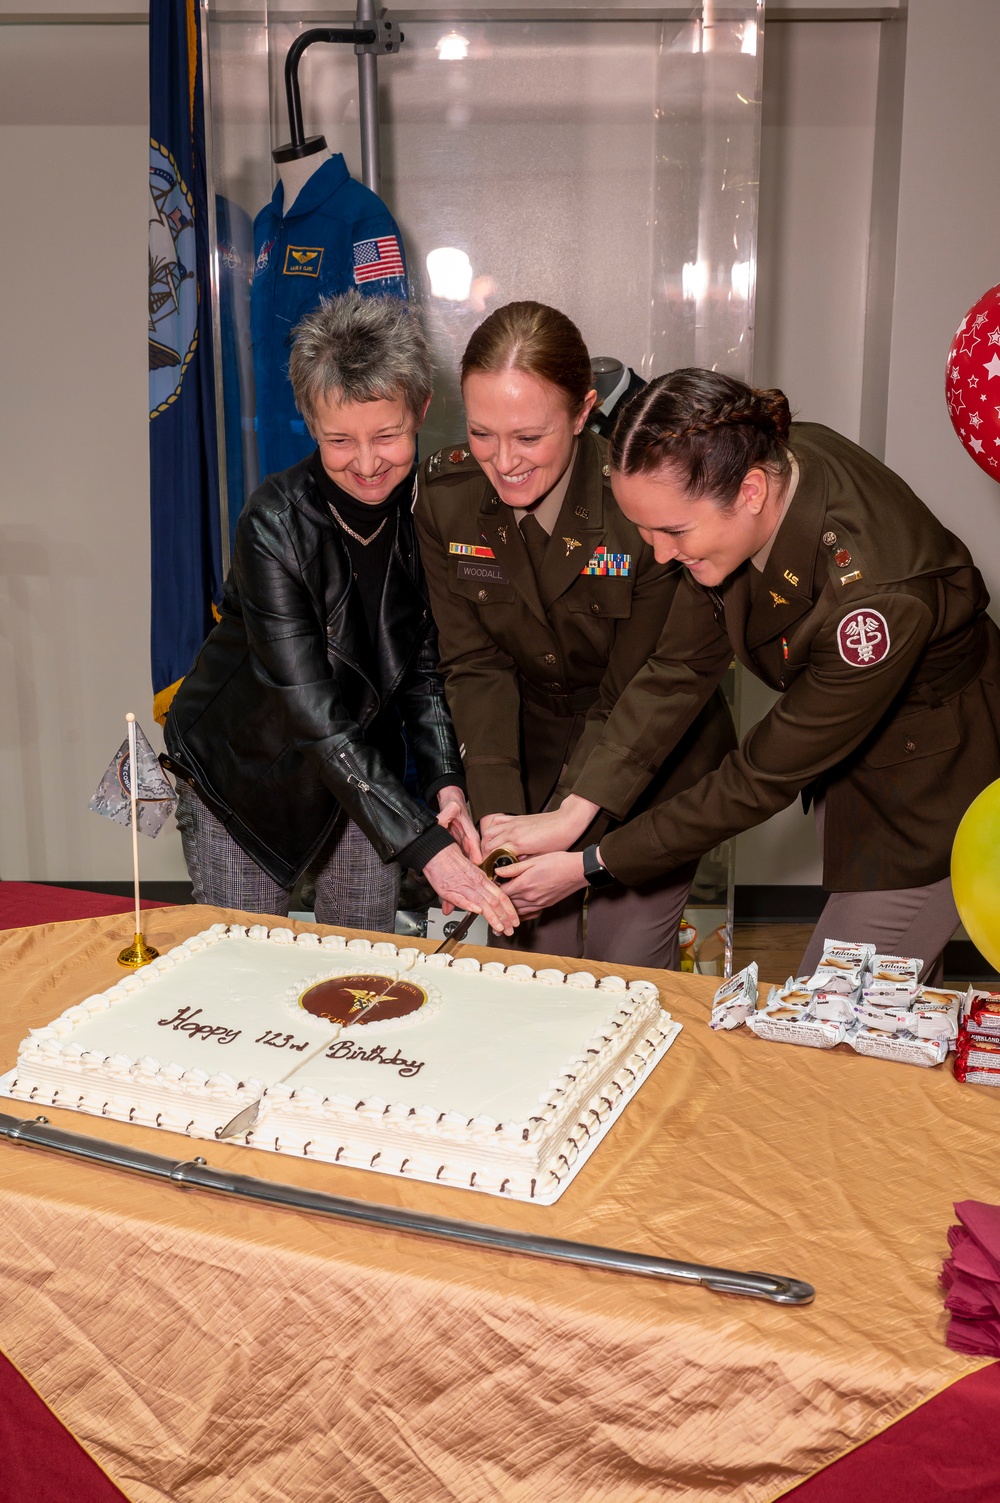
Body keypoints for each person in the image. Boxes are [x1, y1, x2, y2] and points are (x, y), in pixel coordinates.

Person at [489, 369, 1000, 981]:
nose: (658, 553)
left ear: (751, 492)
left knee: (831, 1019)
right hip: (858, 751)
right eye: (645, 529)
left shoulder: (875, 600)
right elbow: (678, 668)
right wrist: (573, 815)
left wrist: (590, 864)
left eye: (673, 530)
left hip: (937, 782)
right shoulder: (761, 458)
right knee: (893, 1008)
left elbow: (757, 778)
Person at [164, 290, 517, 937]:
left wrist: (445, 784)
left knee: (361, 966)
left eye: (387, 435)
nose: (365, 463)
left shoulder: (433, 513)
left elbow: (424, 671)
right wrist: (423, 847)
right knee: (246, 969)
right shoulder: (274, 522)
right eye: (339, 440)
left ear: (422, 409)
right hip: (247, 774)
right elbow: (311, 712)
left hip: (364, 772)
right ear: (309, 417)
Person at [413, 305, 735, 968]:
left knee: (628, 971)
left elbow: (632, 692)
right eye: (481, 432)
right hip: (524, 761)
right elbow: (476, 667)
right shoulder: (446, 499)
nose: (503, 462)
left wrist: (564, 829)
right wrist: (502, 837)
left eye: (529, 437)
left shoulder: (639, 499)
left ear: (584, 411)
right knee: (533, 965)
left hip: (650, 759)